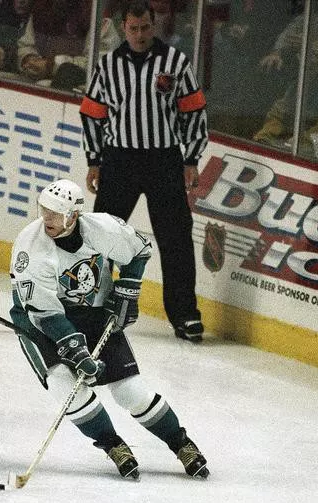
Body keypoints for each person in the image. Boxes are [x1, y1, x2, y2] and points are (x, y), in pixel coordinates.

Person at [9, 178, 209, 480]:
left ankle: (182, 444)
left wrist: (128, 289)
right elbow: (45, 314)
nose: (47, 218)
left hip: (93, 311)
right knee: (66, 387)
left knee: (131, 392)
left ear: (74, 215)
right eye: (44, 210)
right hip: (38, 320)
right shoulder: (31, 248)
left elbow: (139, 251)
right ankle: (113, 445)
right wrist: (75, 350)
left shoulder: (101, 229)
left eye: (55, 212)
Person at [79, 0, 208, 342]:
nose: (139, 34)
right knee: (102, 236)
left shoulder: (176, 62)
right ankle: (91, 304)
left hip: (164, 161)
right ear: (124, 27)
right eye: (133, 28)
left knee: (176, 238)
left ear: (155, 25)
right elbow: (92, 112)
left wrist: (191, 159)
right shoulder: (107, 65)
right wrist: (94, 160)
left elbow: (194, 110)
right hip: (119, 160)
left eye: (145, 28)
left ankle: (185, 315)